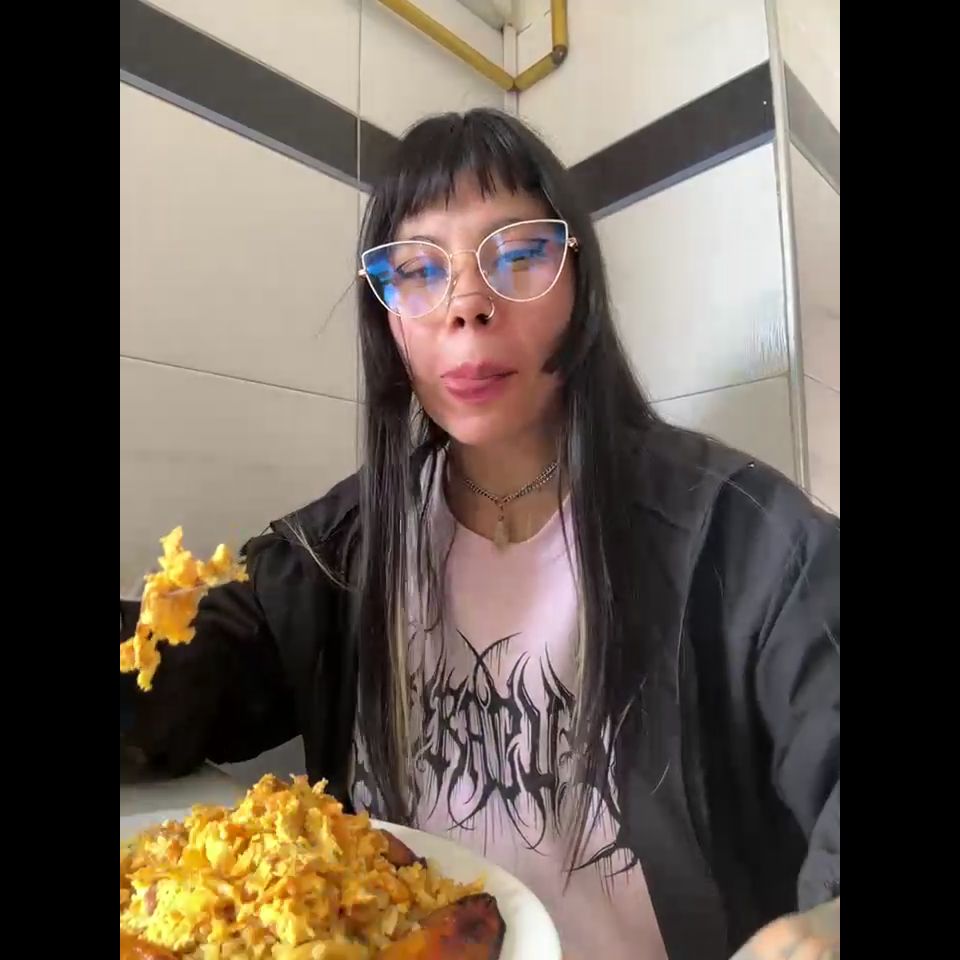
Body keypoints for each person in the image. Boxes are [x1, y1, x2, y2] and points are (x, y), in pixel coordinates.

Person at [120, 109, 840, 960]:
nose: (467, 305)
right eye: (418, 270)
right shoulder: (345, 548)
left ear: (578, 283)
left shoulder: (742, 540)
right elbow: (183, 676)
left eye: (519, 253)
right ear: (387, 318)